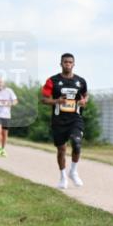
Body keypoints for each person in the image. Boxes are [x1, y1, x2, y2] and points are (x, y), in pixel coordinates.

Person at [40, 54, 89, 189]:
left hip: (75, 118)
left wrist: (84, 101)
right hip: (58, 119)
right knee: (61, 149)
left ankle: (73, 171)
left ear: (74, 64)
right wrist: (56, 101)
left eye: (70, 62)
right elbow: (44, 99)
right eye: (65, 62)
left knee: (77, 143)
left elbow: (85, 96)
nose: (68, 64)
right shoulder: (52, 81)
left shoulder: (81, 81)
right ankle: (63, 176)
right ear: (61, 64)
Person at [0, 76, 18, 157]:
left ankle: (3, 149)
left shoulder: (9, 91)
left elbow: (15, 101)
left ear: (4, 83)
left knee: (5, 133)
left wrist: (10, 103)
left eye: (0, 82)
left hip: (6, 115)